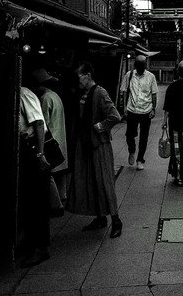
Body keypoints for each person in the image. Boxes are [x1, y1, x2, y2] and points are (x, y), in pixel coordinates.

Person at [67, 61, 123, 238]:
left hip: (99, 144)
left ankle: (116, 220)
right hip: (86, 143)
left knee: (104, 181)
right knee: (91, 180)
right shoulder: (85, 93)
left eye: (79, 77)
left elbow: (115, 116)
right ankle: (100, 217)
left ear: (88, 76)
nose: (78, 81)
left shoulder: (100, 92)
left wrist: (100, 126)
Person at [18, 85, 52, 267]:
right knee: (27, 199)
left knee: (37, 200)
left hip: (33, 148)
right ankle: (29, 243)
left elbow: (38, 122)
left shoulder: (24, 93)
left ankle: (41, 248)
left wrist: (40, 154)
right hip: (24, 148)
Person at [30, 68, 68, 215]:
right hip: (59, 136)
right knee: (60, 171)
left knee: (49, 172)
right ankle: (63, 195)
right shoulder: (55, 95)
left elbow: (42, 122)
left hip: (51, 138)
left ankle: (56, 204)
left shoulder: (45, 98)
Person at [119, 54, 158, 170]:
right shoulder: (129, 75)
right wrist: (124, 107)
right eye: (139, 65)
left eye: (143, 65)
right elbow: (124, 91)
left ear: (145, 66)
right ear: (136, 65)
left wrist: (153, 108)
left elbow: (154, 93)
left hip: (146, 110)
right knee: (129, 134)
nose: (141, 67)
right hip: (132, 109)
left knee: (144, 137)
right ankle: (131, 150)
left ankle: (140, 159)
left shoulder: (151, 77)